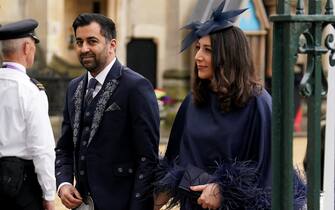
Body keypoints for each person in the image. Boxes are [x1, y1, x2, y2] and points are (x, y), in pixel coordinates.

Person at [154, 2, 305, 210]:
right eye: (198, 48)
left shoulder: (259, 104)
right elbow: (174, 161)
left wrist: (224, 190)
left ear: (228, 56)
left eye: (207, 50)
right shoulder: (192, 102)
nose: (198, 56)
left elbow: (268, 172)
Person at [55, 13, 160, 210]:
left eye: (92, 41)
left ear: (112, 45)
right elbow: (64, 147)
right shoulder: (73, 87)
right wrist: (64, 183)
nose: (84, 48)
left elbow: (148, 159)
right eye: (79, 42)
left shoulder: (136, 86)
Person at [0, 19, 56, 210]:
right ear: (27, 48)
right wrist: (49, 195)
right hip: (21, 186)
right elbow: (42, 149)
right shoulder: (31, 91)